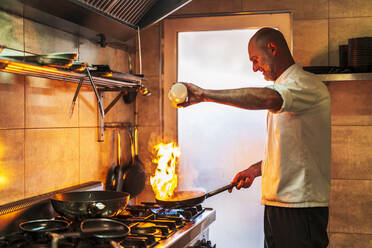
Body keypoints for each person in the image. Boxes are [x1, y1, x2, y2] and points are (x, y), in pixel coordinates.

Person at [177, 27, 331, 248]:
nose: (254, 67)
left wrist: (204, 95)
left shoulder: (305, 84)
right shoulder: (286, 87)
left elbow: (267, 98)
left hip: (299, 208)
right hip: (279, 207)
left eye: (255, 59)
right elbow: (294, 149)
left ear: (272, 48)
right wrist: (257, 169)